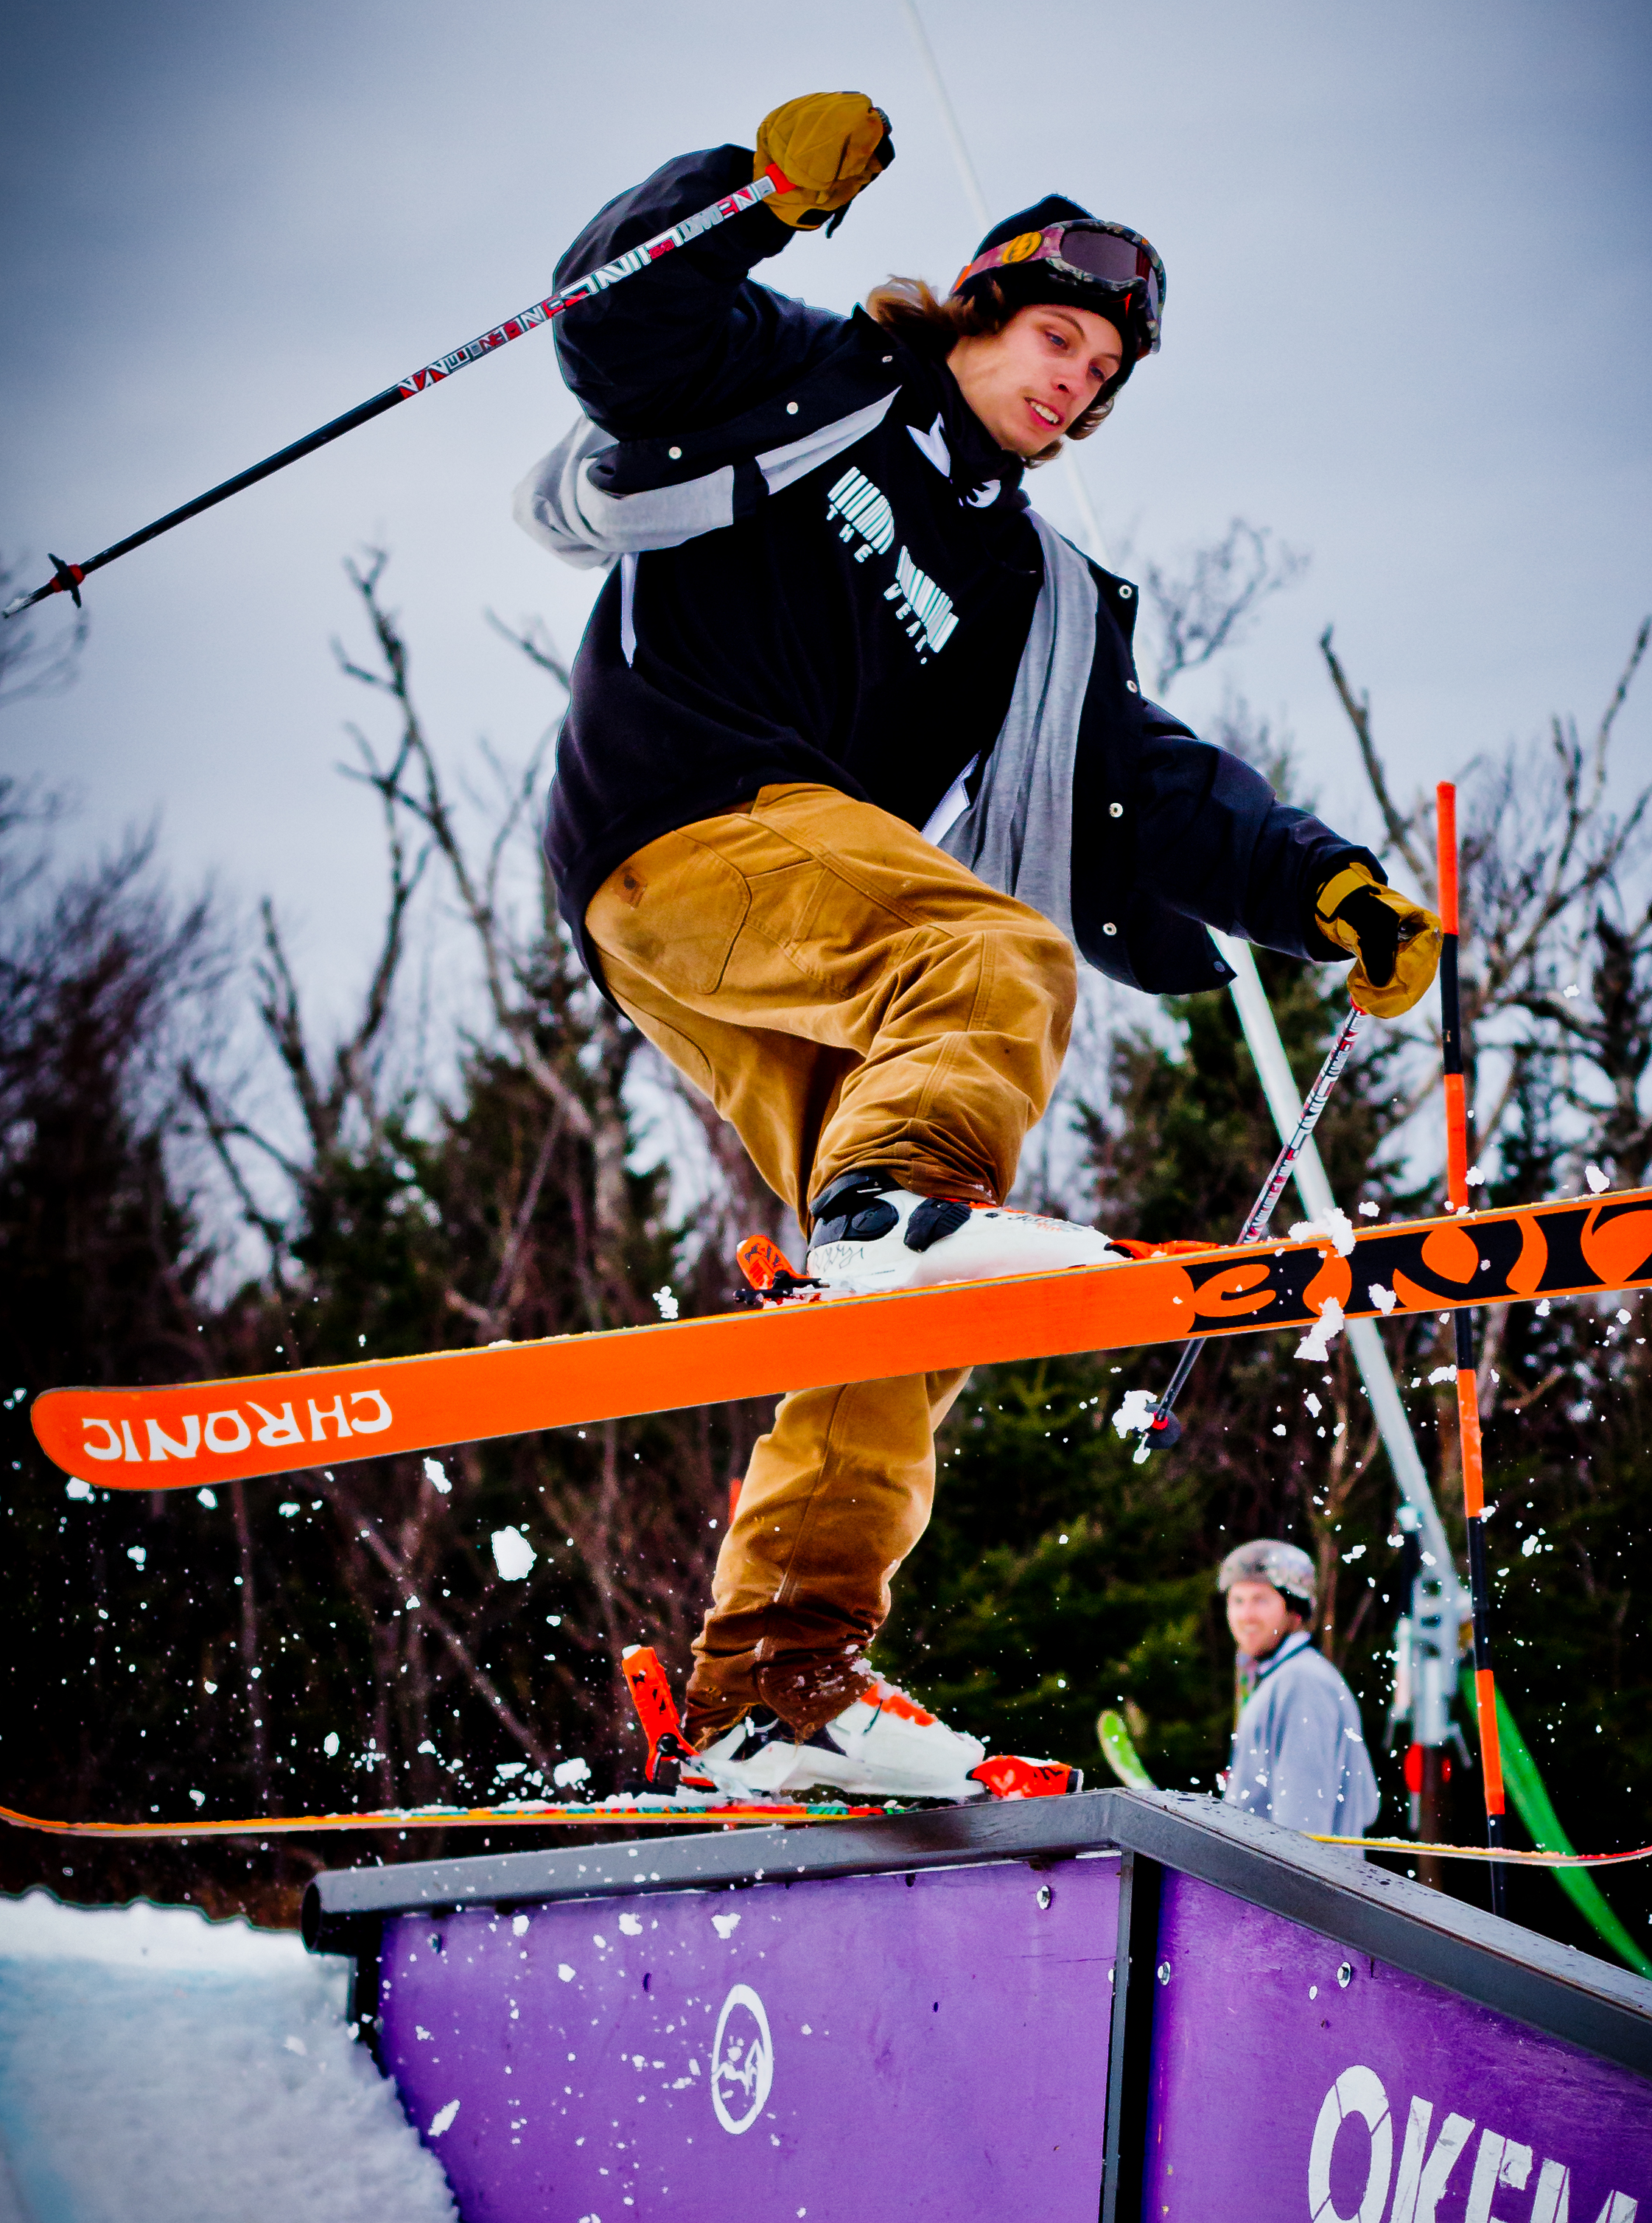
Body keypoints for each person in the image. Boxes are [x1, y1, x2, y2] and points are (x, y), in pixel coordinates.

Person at [517, 88, 1438, 1801]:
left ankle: (772, 1683)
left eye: (1098, 377)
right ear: (977, 302)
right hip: (675, 810)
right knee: (996, 963)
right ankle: (891, 1215)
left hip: (777, 918)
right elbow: (611, 323)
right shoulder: (810, 378)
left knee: (900, 1316)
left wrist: (1325, 889)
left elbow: (1145, 785)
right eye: (1054, 337)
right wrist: (751, 197)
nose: (1069, 385)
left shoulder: (1030, 601)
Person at [1219, 1541, 1380, 1845]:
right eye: (1237, 1601)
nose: (1246, 1615)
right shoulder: (1280, 1680)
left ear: (1294, 1609)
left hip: (1293, 1889)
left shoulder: (1302, 1683)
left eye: (1260, 1600)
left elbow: (1301, 1832)